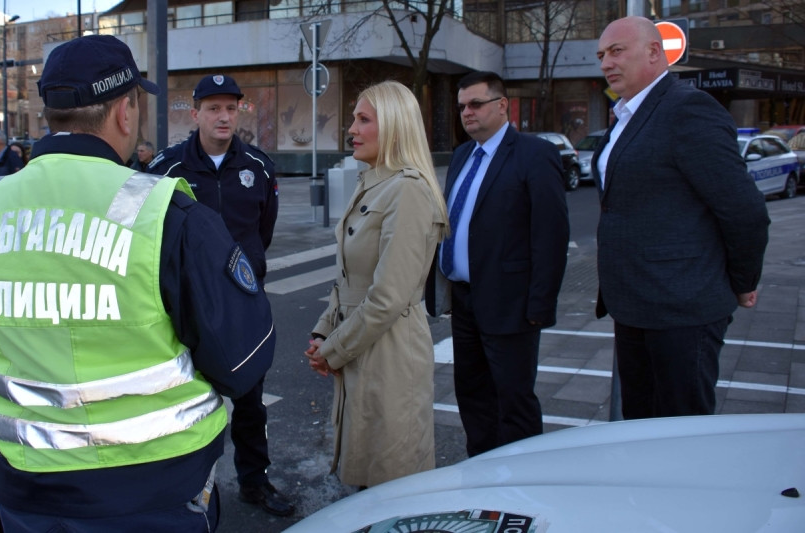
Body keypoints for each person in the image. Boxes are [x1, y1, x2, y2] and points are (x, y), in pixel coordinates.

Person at [0, 35, 275, 531]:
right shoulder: (164, 211)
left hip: (28, 486)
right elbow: (242, 361)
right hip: (156, 488)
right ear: (125, 112)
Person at [593, 16, 770, 419]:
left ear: (654, 52)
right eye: (602, 55)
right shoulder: (626, 117)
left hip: (682, 308)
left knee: (681, 430)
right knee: (641, 425)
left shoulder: (688, 109)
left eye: (617, 51)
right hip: (634, 304)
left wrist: (742, 282)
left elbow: (744, 211)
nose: (606, 63)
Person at [147, 74, 290, 516]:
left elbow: (261, 232)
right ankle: (185, 488)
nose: (224, 116)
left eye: (231, 107)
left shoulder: (258, 167)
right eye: (213, 108)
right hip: (184, 308)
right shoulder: (166, 168)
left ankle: (254, 482)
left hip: (243, 303)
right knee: (184, 401)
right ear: (195, 115)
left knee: (250, 401)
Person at [303, 80, 447, 488]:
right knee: (366, 470)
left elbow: (387, 297)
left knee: (391, 478)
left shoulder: (409, 190)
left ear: (396, 127)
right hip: (363, 342)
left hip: (390, 351)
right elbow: (349, 278)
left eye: (363, 119)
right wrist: (323, 331)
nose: (351, 128)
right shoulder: (373, 182)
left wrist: (331, 350)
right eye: (353, 118)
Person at [432, 71, 569, 458]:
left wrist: (540, 306)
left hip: (512, 304)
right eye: (461, 107)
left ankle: (522, 481)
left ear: (502, 105)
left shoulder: (534, 154)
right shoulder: (461, 155)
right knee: (472, 395)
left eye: (476, 104)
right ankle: (482, 473)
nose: (467, 113)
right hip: (465, 301)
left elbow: (551, 234)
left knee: (514, 400)